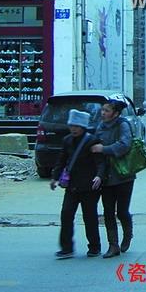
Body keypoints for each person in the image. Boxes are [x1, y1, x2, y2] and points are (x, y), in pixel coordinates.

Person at [50, 109, 104, 259]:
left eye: (76, 126)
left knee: (90, 217)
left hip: (89, 186)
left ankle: (94, 247)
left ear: (83, 127)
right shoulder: (67, 140)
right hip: (72, 186)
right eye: (71, 125)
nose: (73, 129)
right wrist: (55, 178)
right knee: (66, 214)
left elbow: (100, 162)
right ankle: (66, 248)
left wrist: (99, 176)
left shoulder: (92, 141)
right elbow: (61, 160)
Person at [90, 96, 138, 258]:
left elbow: (124, 145)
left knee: (122, 211)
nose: (103, 113)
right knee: (108, 211)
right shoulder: (100, 127)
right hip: (106, 175)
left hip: (124, 174)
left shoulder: (123, 125)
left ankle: (127, 233)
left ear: (115, 113)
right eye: (102, 110)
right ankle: (113, 245)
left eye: (107, 110)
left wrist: (103, 149)